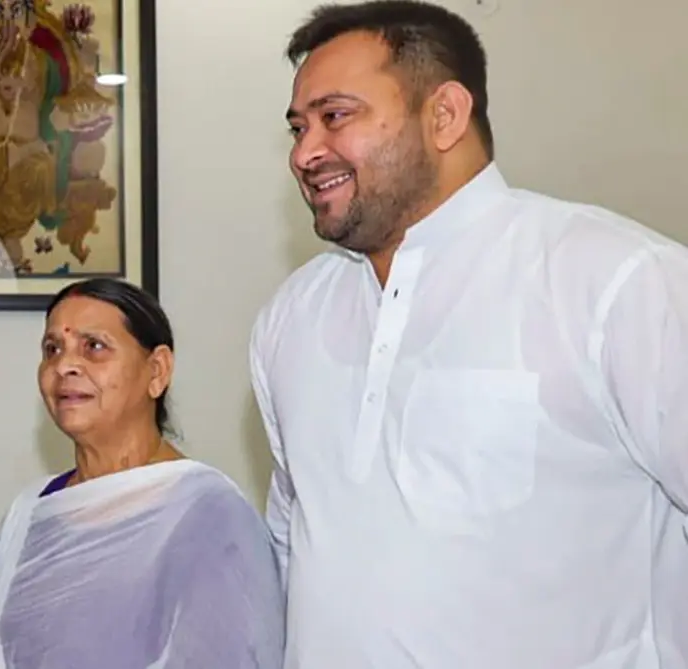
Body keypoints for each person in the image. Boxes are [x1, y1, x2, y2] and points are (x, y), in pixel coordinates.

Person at [250, 1, 688, 667]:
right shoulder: (292, 315)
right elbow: (292, 542)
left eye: (334, 116)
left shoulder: (615, 280)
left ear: (445, 115)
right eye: (297, 127)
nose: (305, 153)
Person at [0, 278, 285, 669]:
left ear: (157, 371)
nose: (64, 365)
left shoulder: (210, 515)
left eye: (94, 347)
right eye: (52, 349)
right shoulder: (29, 511)